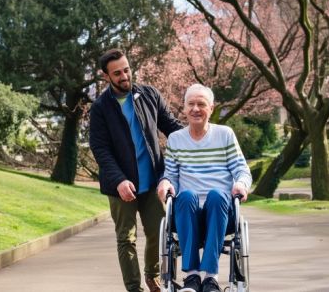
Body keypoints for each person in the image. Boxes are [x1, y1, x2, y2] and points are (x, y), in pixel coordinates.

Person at [89, 48, 182, 292]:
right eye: (117, 73)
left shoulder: (149, 95)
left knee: (159, 232)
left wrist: (199, 134)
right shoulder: (100, 108)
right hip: (120, 186)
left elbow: (171, 126)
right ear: (106, 77)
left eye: (127, 69)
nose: (124, 76)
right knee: (126, 239)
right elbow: (101, 149)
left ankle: (153, 276)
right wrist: (119, 180)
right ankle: (134, 288)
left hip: (151, 181)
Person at [157, 84, 252, 292]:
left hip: (220, 213)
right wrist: (165, 183)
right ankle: (191, 277)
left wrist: (241, 184)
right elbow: (170, 175)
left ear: (211, 108)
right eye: (191, 104)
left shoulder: (225, 134)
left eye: (201, 104)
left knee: (217, 195)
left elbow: (242, 170)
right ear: (184, 108)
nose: (195, 109)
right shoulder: (176, 139)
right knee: (187, 195)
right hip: (186, 212)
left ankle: (210, 278)